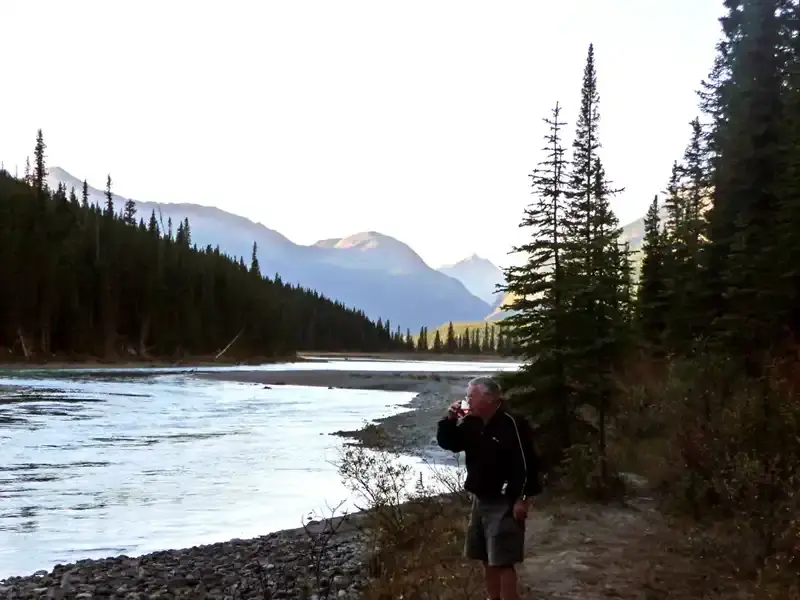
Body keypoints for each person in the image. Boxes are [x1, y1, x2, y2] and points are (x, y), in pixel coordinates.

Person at [436, 376, 541, 600]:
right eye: (467, 396)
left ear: (490, 397)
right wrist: (450, 419)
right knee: (485, 557)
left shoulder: (512, 423)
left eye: (471, 396)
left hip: (505, 500)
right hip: (480, 499)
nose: (467, 401)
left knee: (503, 560)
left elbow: (527, 463)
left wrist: (522, 499)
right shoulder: (472, 422)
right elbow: (450, 443)